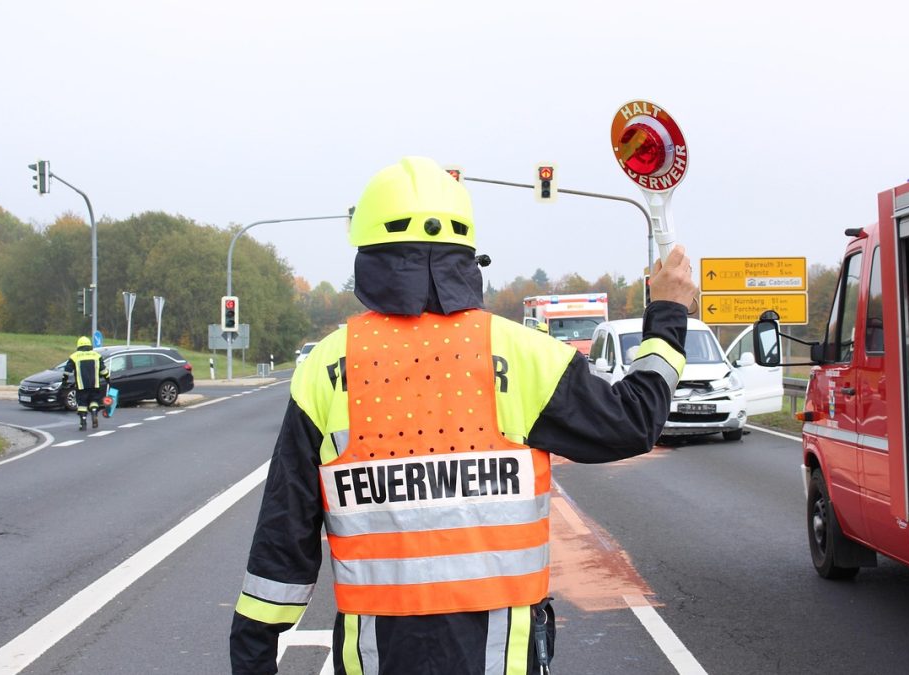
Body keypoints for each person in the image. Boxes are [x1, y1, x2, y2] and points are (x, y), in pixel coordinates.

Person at [229, 157, 698, 675]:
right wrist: (668, 313)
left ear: (368, 254)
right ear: (468, 254)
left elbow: (283, 538)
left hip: (377, 659)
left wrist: (252, 653)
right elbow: (634, 420)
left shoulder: (328, 366)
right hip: (500, 659)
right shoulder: (521, 354)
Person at [60, 336, 110, 431]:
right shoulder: (96, 355)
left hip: (81, 385)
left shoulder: (74, 356)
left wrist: (64, 381)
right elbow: (103, 370)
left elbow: (67, 371)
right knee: (94, 401)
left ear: (79, 345)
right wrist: (107, 379)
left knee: (82, 403)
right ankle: (94, 412)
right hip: (94, 384)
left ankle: (83, 422)